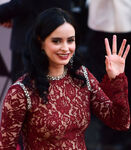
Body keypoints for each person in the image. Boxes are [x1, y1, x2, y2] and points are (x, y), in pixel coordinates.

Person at [0, 8, 130, 149]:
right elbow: (6, 146)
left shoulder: (81, 76)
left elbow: (120, 122)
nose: (65, 48)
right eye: (57, 41)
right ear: (41, 42)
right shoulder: (21, 92)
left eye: (70, 40)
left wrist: (117, 78)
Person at [86, 0, 131, 149]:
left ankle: (117, 136)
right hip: (101, 23)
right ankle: (110, 136)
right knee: (103, 83)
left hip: (123, 20)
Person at [0, 0, 72, 83]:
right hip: (55, 36)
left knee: (24, 89)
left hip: (32, 42)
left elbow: (22, 4)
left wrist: (4, 14)